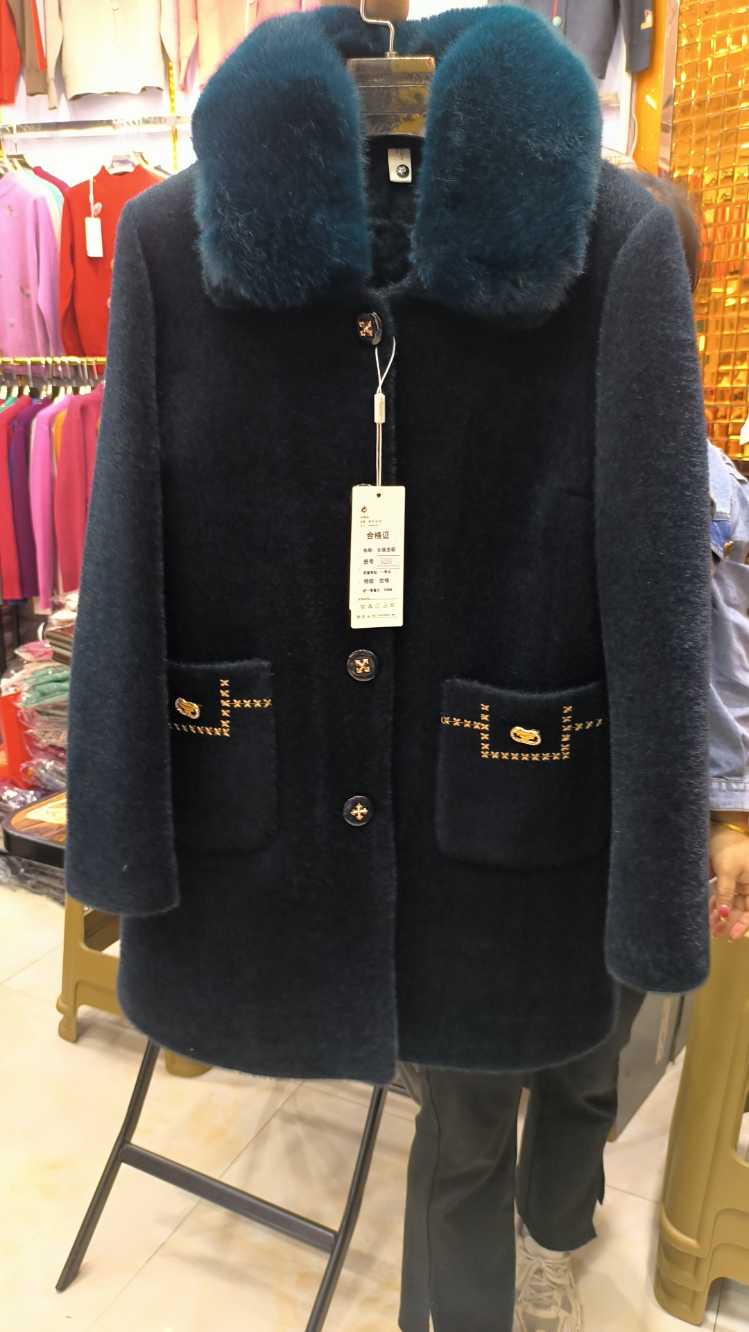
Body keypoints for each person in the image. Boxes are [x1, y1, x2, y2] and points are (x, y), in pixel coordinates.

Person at [398, 171, 749, 1332]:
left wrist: (724, 813)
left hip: (618, 824)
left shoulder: (704, 483)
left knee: (585, 1070)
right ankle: (461, 1311)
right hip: (482, 818)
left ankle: (549, 1244)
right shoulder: (478, 431)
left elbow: (721, 660)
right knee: (464, 1099)